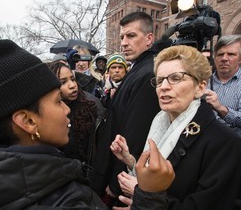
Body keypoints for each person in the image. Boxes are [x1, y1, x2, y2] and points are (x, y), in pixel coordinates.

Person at [0, 32, 107, 209]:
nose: (66, 109)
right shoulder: (67, 201)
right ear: (27, 121)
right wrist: (145, 196)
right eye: (58, 101)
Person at [110, 45, 241, 209]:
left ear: (200, 88)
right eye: (159, 80)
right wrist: (130, 161)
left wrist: (145, 196)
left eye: (175, 78)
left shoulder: (225, 143)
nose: (163, 86)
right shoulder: (159, 124)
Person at [91, 11, 161, 204]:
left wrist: (116, 182)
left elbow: (134, 134)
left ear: (149, 38)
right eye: (122, 36)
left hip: (122, 178)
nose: (123, 42)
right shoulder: (138, 68)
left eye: (131, 36)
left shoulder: (148, 73)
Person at [47, 61, 105, 173]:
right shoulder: (47, 112)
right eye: (63, 82)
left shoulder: (92, 105)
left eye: (73, 79)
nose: (72, 85)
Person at [205, 34, 241, 137]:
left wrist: (220, 108)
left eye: (231, 54)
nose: (224, 58)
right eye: (220, 54)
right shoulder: (204, 82)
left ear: (240, 59)